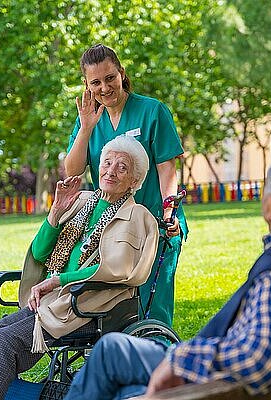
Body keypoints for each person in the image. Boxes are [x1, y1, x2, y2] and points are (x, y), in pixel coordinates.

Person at [64, 140, 271, 399]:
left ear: (270, 207)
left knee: (114, 362)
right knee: (118, 365)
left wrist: (178, 361)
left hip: (213, 387)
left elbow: (258, 359)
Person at [0, 135, 159, 400]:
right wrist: (56, 213)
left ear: (135, 180)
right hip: (53, 302)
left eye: (122, 167)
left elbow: (118, 269)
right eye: (107, 162)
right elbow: (40, 252)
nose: (111, 171)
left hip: (89, 308)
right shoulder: (82, 202)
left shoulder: (136, 216)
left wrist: (57, 281)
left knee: (4, 343)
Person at [64, 43, 188, 327]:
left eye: (110, 78)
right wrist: (85, 129)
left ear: (121, 73)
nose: (104, 88)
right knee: (113, 305)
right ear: (87, 85)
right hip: (113, 225)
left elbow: (167, 167)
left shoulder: (152, 111)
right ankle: (119, 362)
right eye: (95, 82)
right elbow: (72, 171)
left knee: (151, 306)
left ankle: (155, 357)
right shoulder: (88, 120)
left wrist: (169, 212)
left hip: (155, 222)